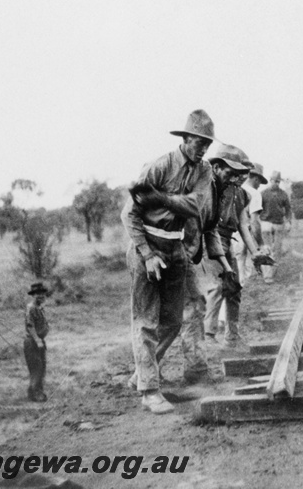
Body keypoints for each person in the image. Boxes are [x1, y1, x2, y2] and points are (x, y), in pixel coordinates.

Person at [122, 109, 226, 414]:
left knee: (173, 320)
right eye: (199, 141)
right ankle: (149, 390)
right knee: (146, 320)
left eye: (208, 142)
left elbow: (195, 206)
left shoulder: (204, 171)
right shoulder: (159, 166)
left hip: (176, 245)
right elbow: (129, 213)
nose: (204, 147)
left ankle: (143, 372)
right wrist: (148, 253)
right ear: (186, 138)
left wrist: (162, 199)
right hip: (148, 247)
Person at [179, 144, 249, 382]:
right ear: (217, 167)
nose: (236, 177)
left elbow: (211, 230)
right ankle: (150, 376)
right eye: (231, 172)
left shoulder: (224, 190)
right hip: (177, 250)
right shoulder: (202, 186)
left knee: (196, 306)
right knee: (188, 309)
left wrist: (228, 268)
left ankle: (196, 370)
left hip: (201, 249)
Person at [202, 153, 273, 348]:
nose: (242, 176)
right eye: (239, 171)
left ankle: (232, 336)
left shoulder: (243, 195)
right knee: (217, 287)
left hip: (228, 243)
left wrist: (255, 252)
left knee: (234, 288)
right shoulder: (212, 188)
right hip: (210, 240)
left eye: (245, 173)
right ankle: (208, 335)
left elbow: (244, 226)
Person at [234, 162, 268, 280]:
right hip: (242, 235)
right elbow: (254, 222)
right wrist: (261, 244)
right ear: (256, 179)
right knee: (241, 273)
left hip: (228, 235)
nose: (259, 185)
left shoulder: (236, 188)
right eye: (259, 182)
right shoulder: (254, 193)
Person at [259, 171, 293, 283]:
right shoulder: (263, 193)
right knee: (267, 249)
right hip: (266, 223)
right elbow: (257, 209)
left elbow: (288, 209)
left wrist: (288, 221)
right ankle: (267, 275)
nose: (276, 183)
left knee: (277, 249)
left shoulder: (283, 194)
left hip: (278, 223)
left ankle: (272, 273)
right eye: (274, 181)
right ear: (270, 180)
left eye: (278, 181)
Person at [24, 282, 50, 402]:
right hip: (33, 341)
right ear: (33, 295)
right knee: (36, 368)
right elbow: (30, 326)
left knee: (42, 367)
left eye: (42, 294)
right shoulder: (31, 308)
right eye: (38, 294)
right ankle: (35, 393)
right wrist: (38, 340)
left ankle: (37, 392)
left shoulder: (39, 307)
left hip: (39, 340)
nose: (41, 296)